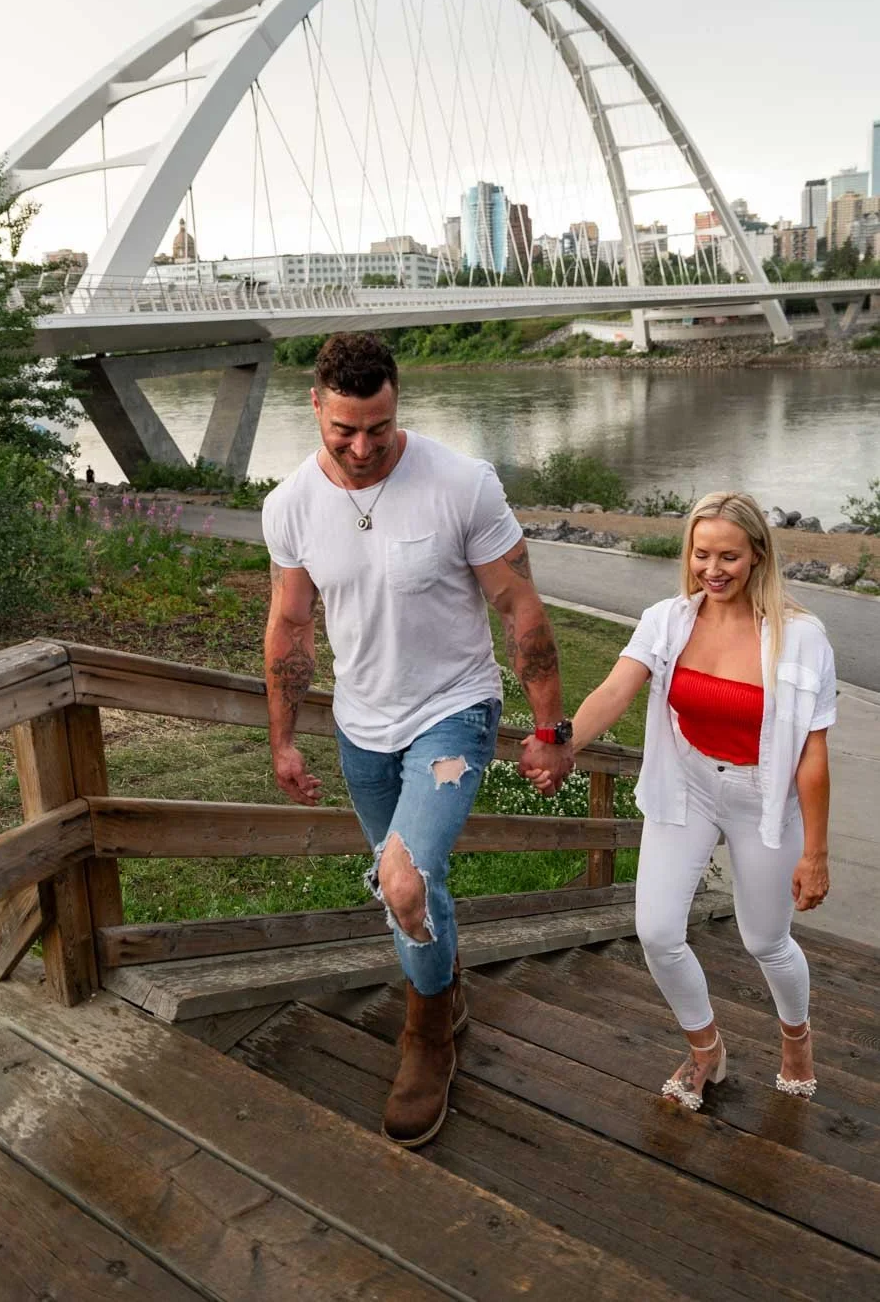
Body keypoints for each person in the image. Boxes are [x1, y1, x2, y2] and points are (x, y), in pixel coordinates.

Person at [261, 332, 574, 1147]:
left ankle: (426, 1036)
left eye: (381, 428)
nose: (364, 449)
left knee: (402, 880)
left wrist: (550, 729)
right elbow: (292, 626)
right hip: (362, 727)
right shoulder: (289, 505)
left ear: (398, 402)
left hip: (455, 710)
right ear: (316, 409)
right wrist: (284, 741)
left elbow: (521, 609)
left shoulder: (462, 485)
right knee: (418, 890)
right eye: (344, 432)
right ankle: (448, 987)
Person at [567, 491, 835, 1110]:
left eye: (730, 557)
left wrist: (815, 853)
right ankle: (706, 1050)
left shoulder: (801, 639)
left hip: (762, 797)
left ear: (758, 556)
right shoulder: (667, 619)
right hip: (685, 783)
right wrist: (563, 742)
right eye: (701, 553)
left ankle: (796, 1037)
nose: (713, 570)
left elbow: (812, 757)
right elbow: (615, 689)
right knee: (656, 931)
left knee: (765, 940)